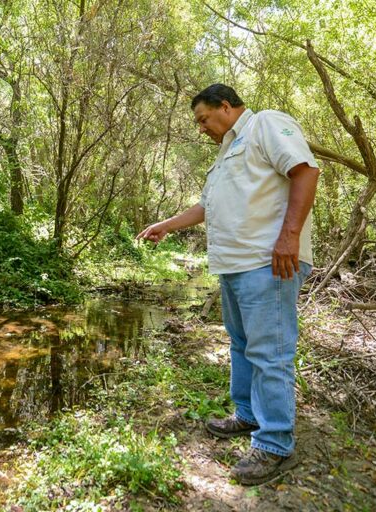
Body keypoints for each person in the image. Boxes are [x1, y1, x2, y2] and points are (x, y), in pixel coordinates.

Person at [136, 84, 319, 485]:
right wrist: (166, 225)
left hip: (268, 263)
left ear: (225, 106)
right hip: (234, 266)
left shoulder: (265, 124)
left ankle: (274, 445)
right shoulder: (225, 154)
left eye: (204, 119)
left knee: (270, 353)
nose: (201, 128)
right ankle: (248, 415)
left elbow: (305, 170)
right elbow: (208, 206)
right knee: (241, 345)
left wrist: (289, 236)